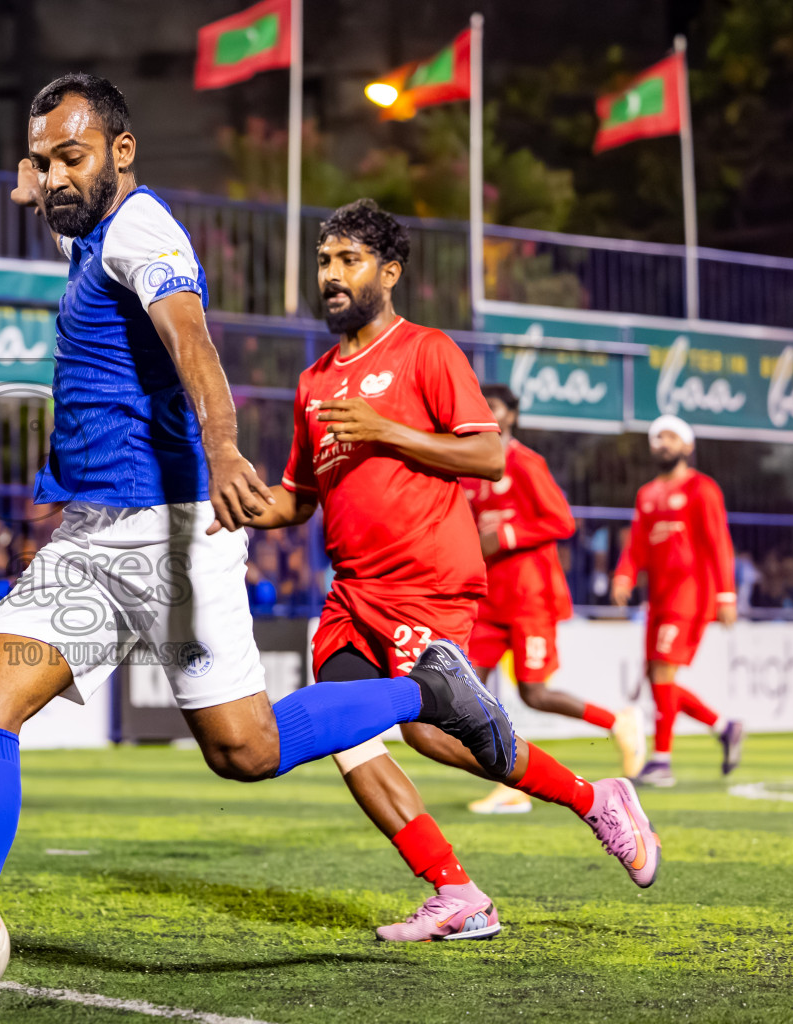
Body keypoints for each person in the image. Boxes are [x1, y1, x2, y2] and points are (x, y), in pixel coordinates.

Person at [0, 74, 524, 990]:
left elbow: (193, 342)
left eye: (71, 157)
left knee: (246, 750)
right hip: (90, 534)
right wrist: (36, 179)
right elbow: (49, 193)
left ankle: (424, 691)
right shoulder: (82, 229)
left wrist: (227, 450)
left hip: (171, 535)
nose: (53, 177)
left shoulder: (144, 231)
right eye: (42, 161)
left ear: (122, 151)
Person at [248, 199, 660, 941]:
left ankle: (589, 802)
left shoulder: (426, 351)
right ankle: (462, 887)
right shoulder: (312, 382)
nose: (332, 275)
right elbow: (297, 498)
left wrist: (388, 430)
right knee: (369, 736)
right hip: (352, 593)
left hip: (425, 582)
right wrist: (237, 504)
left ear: (390, 271)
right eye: (324, 261)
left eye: (349, 260)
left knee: (434, 728)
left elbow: (489, 455)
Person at [462, 385, 646, 813]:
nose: (487, 413)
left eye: (496, 407)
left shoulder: (525, 462)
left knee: (535, 694)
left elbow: (562, 520)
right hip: (488, 599)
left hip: (530, 597)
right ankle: (508, 781)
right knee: (467, 687)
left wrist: (504, 535)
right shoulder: (469, 471)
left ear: (511, 416)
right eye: (482, 407)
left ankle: (618, 721)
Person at [613, 415, 744, 786]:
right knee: (659, 679)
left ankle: (662, 762)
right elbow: (636, 544)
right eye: (658, 438)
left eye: (671, 437)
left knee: (664, 673)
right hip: (658, 598)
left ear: (688, 446)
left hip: (690, 595)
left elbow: (719, 542)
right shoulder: (647, 494)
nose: (663, 444)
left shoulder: (703, 488)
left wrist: (726, 594)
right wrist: (624, 574)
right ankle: (724, 727)